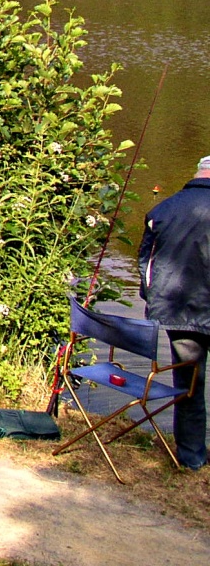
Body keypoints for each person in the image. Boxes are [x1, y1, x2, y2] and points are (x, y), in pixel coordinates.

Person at [138, 154, 210, 471]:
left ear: (197, 174)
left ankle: (192, 458)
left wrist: (153, 299)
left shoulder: (163, 210)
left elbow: (146, 267)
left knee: (189, 387)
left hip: (179, 314)